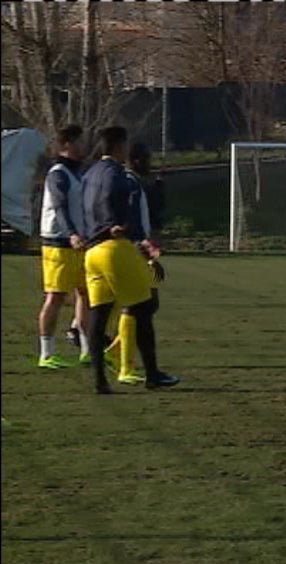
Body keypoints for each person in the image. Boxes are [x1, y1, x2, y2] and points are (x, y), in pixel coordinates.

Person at [81, 126, 178, 394]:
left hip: (92, 251)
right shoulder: (118, 175)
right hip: (115, 248)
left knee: (99, 316)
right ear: (119, 146)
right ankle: (152, 374)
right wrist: (136, 238)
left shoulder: (89, 174)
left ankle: (100, 380)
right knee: (145, 307)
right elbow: (124, 205)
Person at [105, 142, 168, 384]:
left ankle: (117, 353)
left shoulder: (133, 183)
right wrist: (142, 244)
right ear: (138, 160)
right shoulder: (129, 183)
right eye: (148, 159)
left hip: (133, 249)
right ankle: (122, 362)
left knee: (145, 305)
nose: (150, 164)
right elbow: (130, 219)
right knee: (140, 304)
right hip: (131, 251)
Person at [37, 125, 90, 369]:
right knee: (56, 297)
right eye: (79, 141)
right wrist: (71, 233)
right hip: (58, 243)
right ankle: (47, 353)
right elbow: (60, 206)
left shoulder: (77, 173)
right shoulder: (58, 173)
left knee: (86, 294)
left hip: (79, 243)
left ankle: (87, 349)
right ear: (67, 144)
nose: (84, 145)